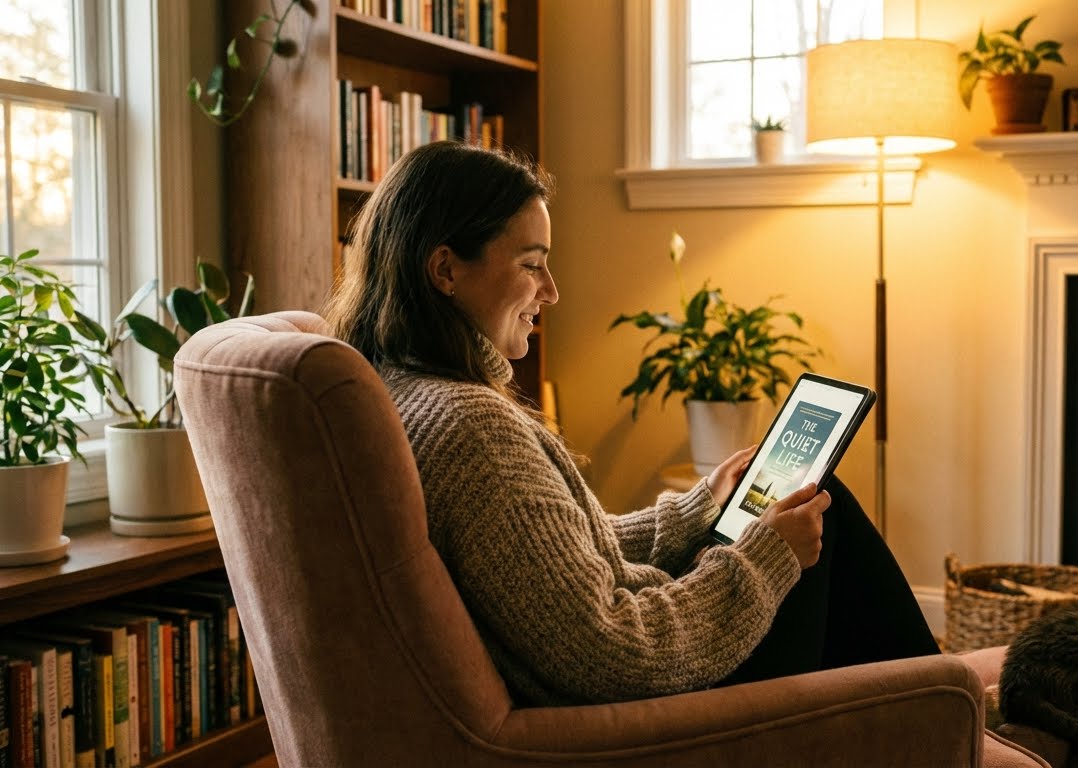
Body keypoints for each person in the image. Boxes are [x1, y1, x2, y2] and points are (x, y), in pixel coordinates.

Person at [323, 141, 939, 706]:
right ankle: (940, 717)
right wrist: (765, 559)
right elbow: (614, 652)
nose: (553, 291)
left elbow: (547, 565)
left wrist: (697, 510)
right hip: (646, 720)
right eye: (532, 264)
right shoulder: (471, 427)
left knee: (797, 514)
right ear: (446, 270)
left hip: (617, 689)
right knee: (819, 513)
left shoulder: (405, 388)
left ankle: (929, 710)